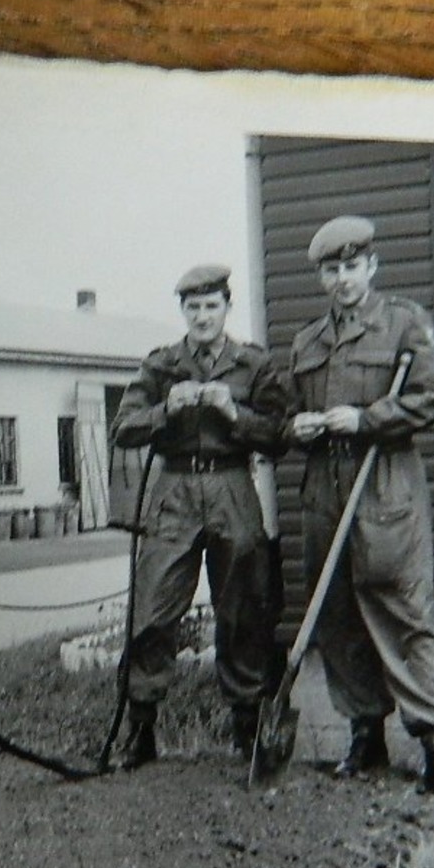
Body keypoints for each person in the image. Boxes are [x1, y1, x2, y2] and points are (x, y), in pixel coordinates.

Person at [286, 215, 434, 801]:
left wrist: (367, 419)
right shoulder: (307, 342)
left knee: (403, 614)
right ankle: (364, 735)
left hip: (385, 484)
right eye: (331, 269)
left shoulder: (403, 323)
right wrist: (301, 427)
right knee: (339, 618)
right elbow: (292, 418)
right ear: (321, 276)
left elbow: (431, 399)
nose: (342, 279)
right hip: (326, 486)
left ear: (372, 266)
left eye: (352, 266)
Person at [109, 264, 290, 770]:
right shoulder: (162, 365)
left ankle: (247, 728)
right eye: (193, 307)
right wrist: (166, 409)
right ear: (183, 312)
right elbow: (123, 429)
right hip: (175, 490)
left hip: (234, 485)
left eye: (212, 306)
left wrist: (235, 416)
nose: (203, 316)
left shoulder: (253, 365)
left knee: (243, 608)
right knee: (153, 609)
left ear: (227, 308)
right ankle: (140, 729)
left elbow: (279, 435)